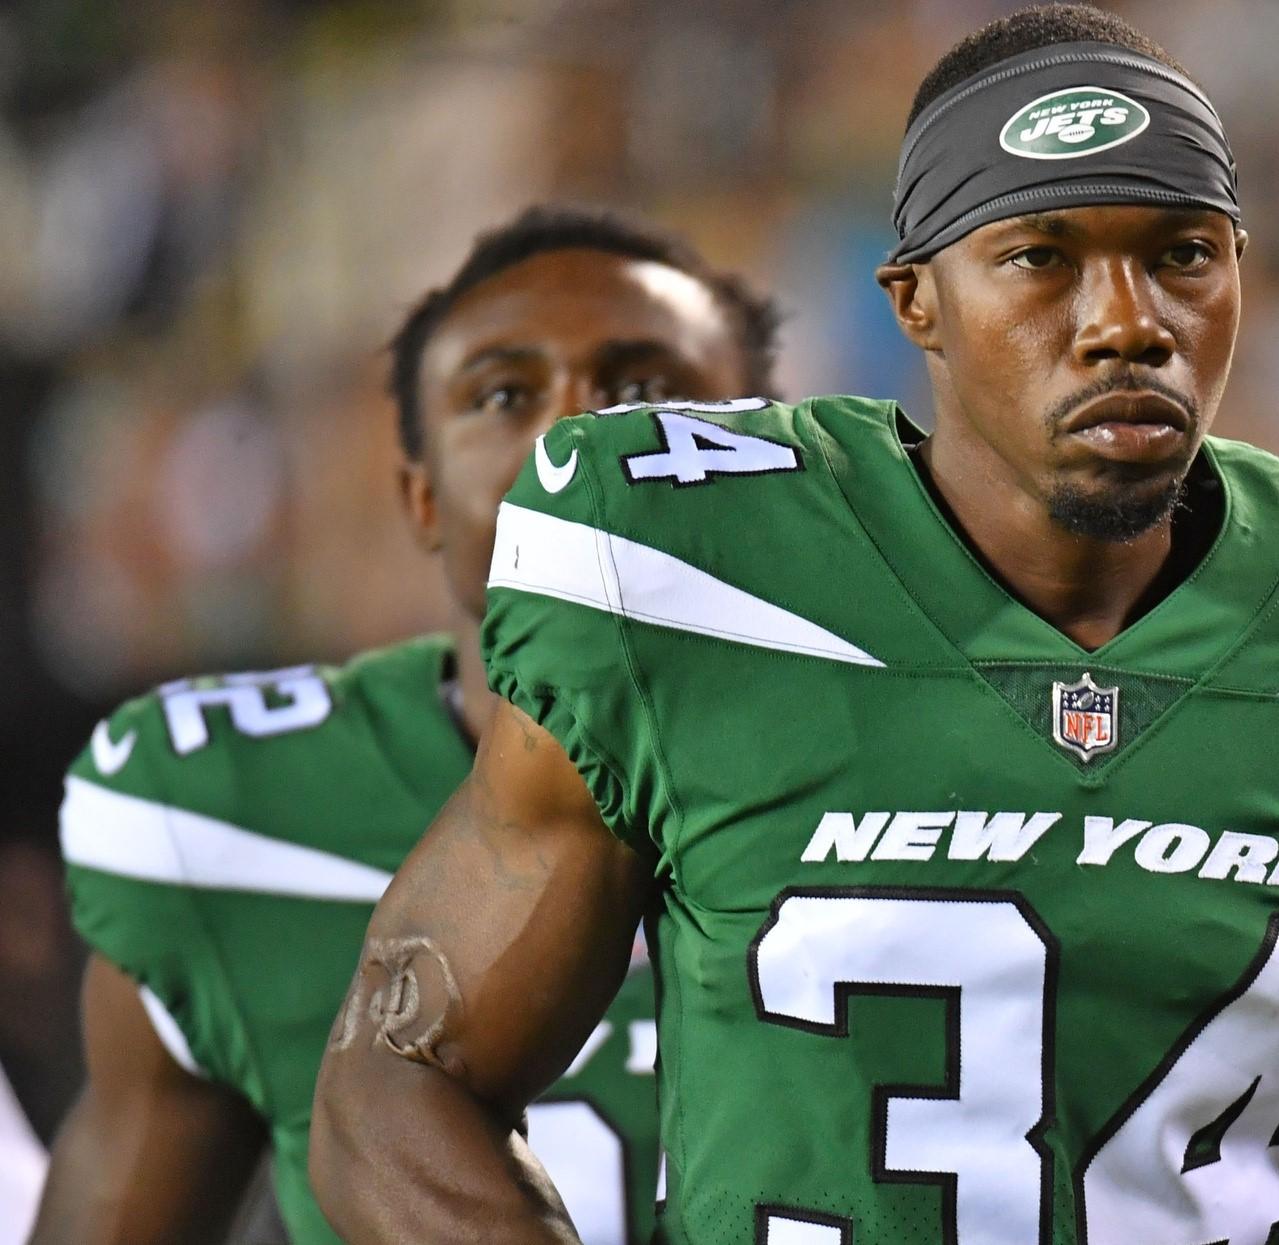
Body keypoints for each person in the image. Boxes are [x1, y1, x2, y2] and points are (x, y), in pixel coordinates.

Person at [310, 7, 1279, 1244]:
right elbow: (396, 1079)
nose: (1125, 323)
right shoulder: (687, 574)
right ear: (914, 303)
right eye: (1040, 258)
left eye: (1179, 254)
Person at [34, 205, 779, 1245]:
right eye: (505, 394)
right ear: (420, 497)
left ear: (777, 464)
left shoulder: (955, 748)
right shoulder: (237, 820)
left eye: (644, 389)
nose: (575, 439)